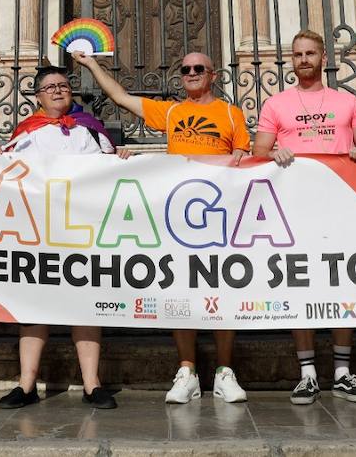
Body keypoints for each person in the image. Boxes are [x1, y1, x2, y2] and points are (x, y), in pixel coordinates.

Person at [75, 49, 251, 404]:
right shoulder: (172, 111)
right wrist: (92, 64)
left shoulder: (231, 114)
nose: (191, 73)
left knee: (222, 291)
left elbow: (246, 158)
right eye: (185, 69)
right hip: (179, 214)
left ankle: (223, 372)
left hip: (219, 215)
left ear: (212, 75)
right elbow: (121, 97)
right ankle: (187, 371)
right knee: (182, 293)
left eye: (199, 68)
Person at [242, 30, 356, 406]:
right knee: (298, 283)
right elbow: (260, 150)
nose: (303, 59)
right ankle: (307, 374)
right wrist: (275, 153)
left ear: (323, 57)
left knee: (343, 282)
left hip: (340, 205)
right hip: (294, 207)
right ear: (292, 60)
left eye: (310, 53)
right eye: (297, 54)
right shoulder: (276, 104)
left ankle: (343, 372)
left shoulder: (346, 101)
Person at [0, 65, 122, 410]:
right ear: (37, 96)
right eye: (49, 87)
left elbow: (110, 170)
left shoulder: (90, 131)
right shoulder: (26, 133)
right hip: (40, 231)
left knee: (86, 306)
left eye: (63, 86)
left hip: (83, 231)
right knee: (35, 307)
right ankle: (26, 384)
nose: (57, 91)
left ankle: (92, 385)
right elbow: (8, 172)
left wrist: (121, 158)